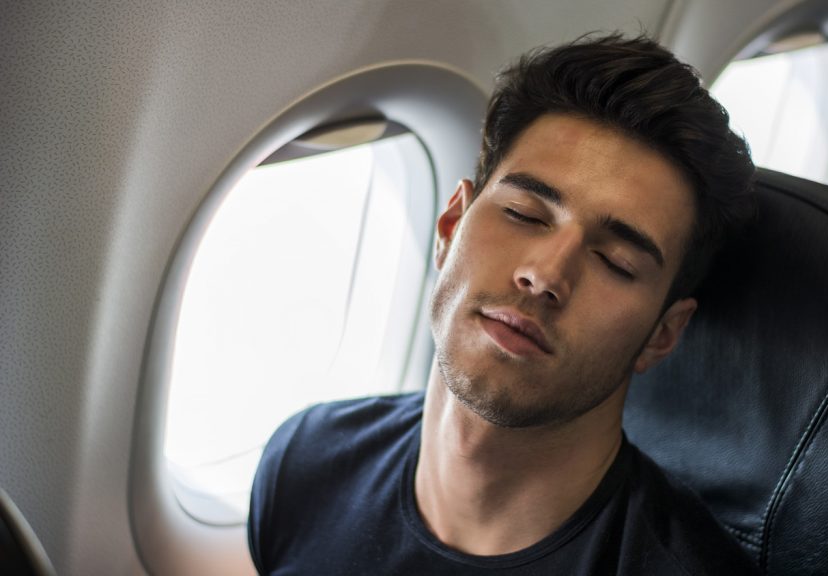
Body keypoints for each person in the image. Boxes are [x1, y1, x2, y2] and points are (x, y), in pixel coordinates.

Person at [248, 33, 759, 575]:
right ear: (449, 227)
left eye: (615, 262)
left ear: (662, 334)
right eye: (525, 214)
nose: (544, 275)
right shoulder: (306, 464)